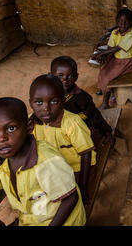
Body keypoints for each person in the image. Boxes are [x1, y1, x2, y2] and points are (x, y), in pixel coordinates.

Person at [0, 97, 86, 226]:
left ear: (29, 126)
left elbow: (70, 198)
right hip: (31, 219)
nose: (1, 139)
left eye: (11, 128)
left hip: (61, 220)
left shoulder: (47, 160)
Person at [29, 74, 96, 203]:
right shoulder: (30, 123)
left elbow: (86, 154)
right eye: (38, 102)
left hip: (76, 169)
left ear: (63, 101)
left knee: (65, 198)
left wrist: (83, 186)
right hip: (51, 169)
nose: (46, 108)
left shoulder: (72, 123)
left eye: (54, 101)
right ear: (30, 103)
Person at [50, 56, 113, 146]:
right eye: (60, 76)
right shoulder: (47, 95)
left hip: (78, 130)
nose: (65, 80)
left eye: (70, 76)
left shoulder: (82, 97)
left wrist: (107, 132)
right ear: (51, 76)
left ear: (76, 77)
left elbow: (94, 115)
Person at [92, 8, 132, 109]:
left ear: (131, 22)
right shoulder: (114, 33)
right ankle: (108, 91)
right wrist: (103, 56)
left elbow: (117, 48)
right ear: (116, 21)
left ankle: (105, 103)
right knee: (103, 69)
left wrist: (102, 53)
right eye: (120, 21)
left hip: (127, 62)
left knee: (107, 76)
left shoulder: (130, 35)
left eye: (126, 22)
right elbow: (110, 48)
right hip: (116, 60)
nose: (123, 24)